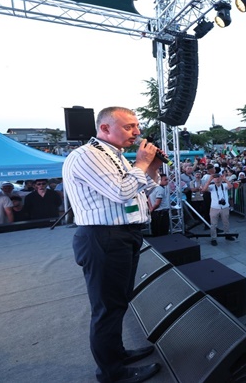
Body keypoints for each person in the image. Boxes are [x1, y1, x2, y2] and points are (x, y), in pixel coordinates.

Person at [63, 106, 161, 383]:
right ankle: (111, 373)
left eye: (136, 126)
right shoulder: (86, 156)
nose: (137, 132)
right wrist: (142, 163)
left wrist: (151, 169)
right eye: (129, 126)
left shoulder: (114, 156)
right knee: (107, 308)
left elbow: (142, 190)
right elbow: (121, 192)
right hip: (104, 238)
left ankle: (116, 353)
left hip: (122, 235)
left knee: (117, 302)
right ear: (104, 128)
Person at [202, 171, 233, 246]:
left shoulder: (224, 185)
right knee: (213, 224)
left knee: (226, 222)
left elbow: (231, 186)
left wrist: (225, 179)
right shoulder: (212, 187)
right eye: (215, 178)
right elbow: (204, 189)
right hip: (214, 207)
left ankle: (227, 235)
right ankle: (213, 238)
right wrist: (209, 180)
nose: (217, 179)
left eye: (218, 177)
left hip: (224, 207)